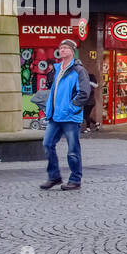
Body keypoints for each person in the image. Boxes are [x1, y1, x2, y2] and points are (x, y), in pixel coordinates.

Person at [39, 39, 89, 191]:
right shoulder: (56, 69)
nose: (62, 50)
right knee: (47, 144)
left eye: (66, 48)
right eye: (61, 48)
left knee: (73, 150)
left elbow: (84, 93)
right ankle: (54, 176)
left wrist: (70, 108)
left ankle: (75, 179)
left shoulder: (78, 70)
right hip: (55, 116)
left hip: (69, 117)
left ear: (72, 51)